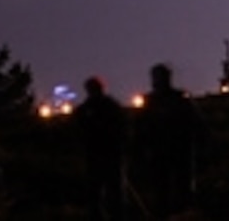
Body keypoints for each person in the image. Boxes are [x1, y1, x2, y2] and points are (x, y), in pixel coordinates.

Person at [132, 61, 203, 215]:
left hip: (177, 150)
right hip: (163, 152)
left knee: (179, 190)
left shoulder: (176, 99)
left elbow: (195, 123)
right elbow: (140, 129)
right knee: (163, 190)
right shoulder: (153, 102)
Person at [75, 73, 129, 218]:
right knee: (98, 192)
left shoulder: (107, 107)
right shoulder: (88, 109)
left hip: (109, 155)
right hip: (97, 156)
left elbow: (122, 129)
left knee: (112, 191)